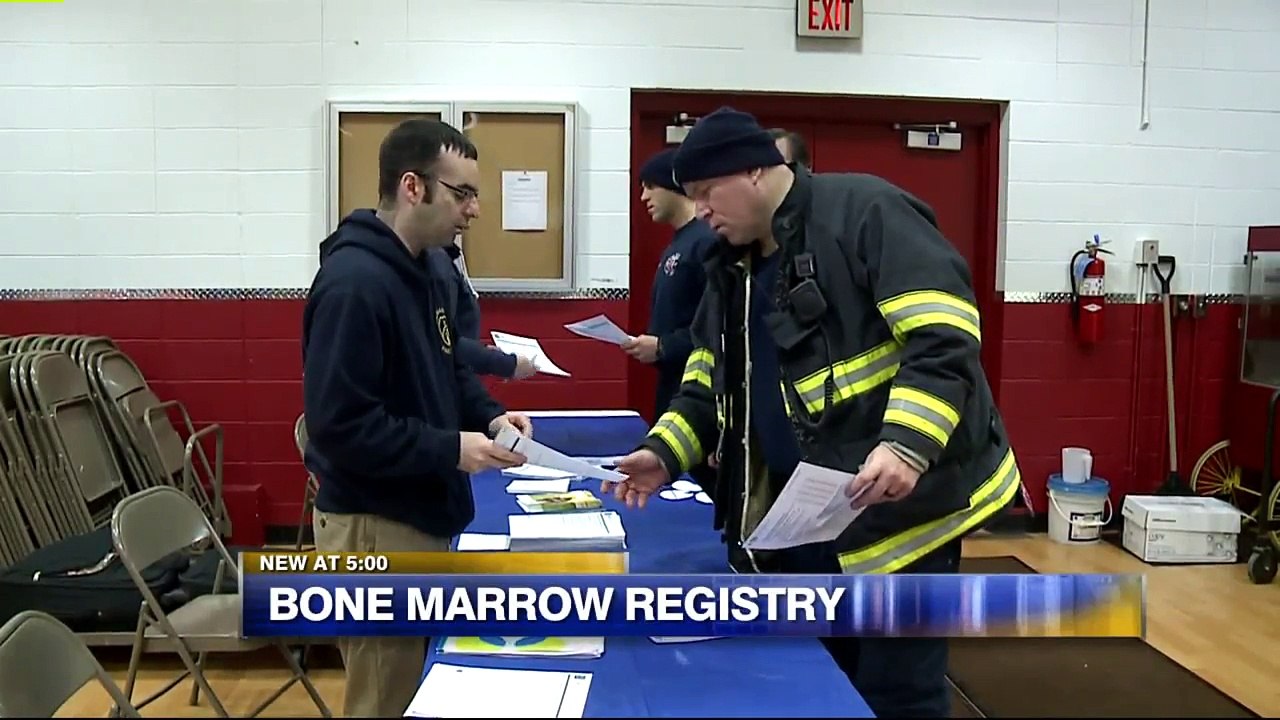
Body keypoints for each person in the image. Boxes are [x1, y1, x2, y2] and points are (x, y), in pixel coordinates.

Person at [603, 107, 1021, 718]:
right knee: (821, 678)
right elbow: (705, 375)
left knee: (897, 691)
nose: (700, 212)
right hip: (806, 518)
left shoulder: (866, 213)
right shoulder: (729, 264)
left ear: (754, 170)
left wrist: (906, 444)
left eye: (705, 194)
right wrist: (665, 451)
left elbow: (944, 337)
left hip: (903, 514)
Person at [302, 117, 534, 718]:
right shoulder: (354, 284)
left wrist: (490, 418)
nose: (475, 210)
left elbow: (450, 369)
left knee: (418, 692)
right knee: (385, 697)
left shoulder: (429, 269)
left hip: (422, 511)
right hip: (373, 525)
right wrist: (450, 450)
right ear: (413, 187)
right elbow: (341, 427)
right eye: (463, 193)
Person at [622, 147, 718, 419]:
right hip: (673, 382)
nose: (643, 197)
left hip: (701, 390)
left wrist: (665, 346)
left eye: (651, 186)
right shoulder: (679, 243)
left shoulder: (706, 242)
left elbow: (717, 327)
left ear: (673, 185)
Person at [429, 238, 537, 380]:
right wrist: (504, 363)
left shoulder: (448, 257)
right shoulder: (436, 262)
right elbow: (441, 342)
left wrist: (482, 354)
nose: (472, 214)